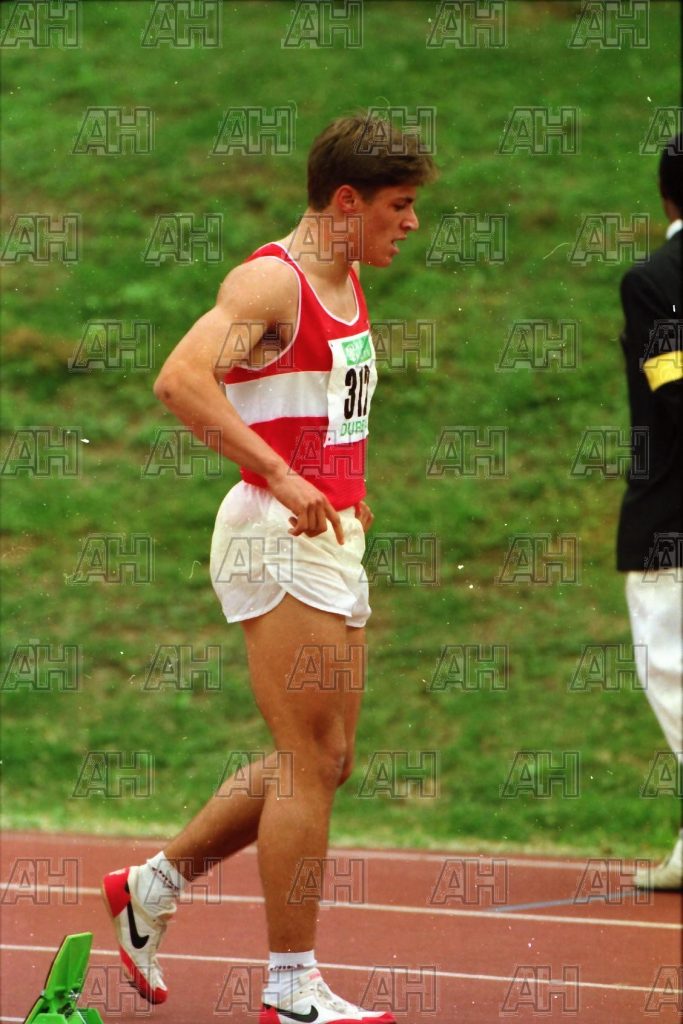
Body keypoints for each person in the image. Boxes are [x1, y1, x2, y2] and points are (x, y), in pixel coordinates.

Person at [101, 113, 437, 1023]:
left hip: (326, 534)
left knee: (326, 759)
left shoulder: (345, 276)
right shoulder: (269, 282)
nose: (411, 223)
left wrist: (345, 485)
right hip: (271, 533)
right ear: (346, 201)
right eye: (399, 206)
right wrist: (283, 475)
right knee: (306, 761)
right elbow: (180, 381)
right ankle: (290, 990)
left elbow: (320, 402)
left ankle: (152, 885)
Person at [616, 132, 682, 890]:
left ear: (666, 196)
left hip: (669, 517)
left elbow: (672, 391)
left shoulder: (653, 278)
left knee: (669, 673)